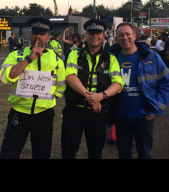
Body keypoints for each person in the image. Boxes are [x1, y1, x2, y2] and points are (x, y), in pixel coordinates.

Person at [0, 17, 66, 159]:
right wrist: (29, 59)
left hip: (44, 116)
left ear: (48, 37)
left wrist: (46, 101)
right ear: (30, 34)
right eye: (35, 33)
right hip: (19, 114)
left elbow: (61, 88)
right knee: (8, 154)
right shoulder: (16, 55)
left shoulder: (56, 60)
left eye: (42, 34)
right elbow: (5, 77)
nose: (38, 37)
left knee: (42, 155)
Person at [61, 19, 123, 159]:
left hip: (98, 112)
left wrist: (100, 96)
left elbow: (118, 83)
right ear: (86, 35)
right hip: (74, 110)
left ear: (103, 35)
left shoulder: (111, 58)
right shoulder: (75, 54)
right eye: (91, 33)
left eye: (98, 33)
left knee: (95, 151)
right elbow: (70, 76)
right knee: (68, 150)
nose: (95, 36)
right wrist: (91, 97)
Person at [108, 22, 169, 159]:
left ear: (134, 35)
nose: (125, 37)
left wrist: (156, 108)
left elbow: (165, 83)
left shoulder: (152, 57)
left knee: (145, 153)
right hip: (120, 115)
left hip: (144, 115)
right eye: (121, 35)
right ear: (116, 38)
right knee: (123, 153)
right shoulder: (110, 58)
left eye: (128, 34)